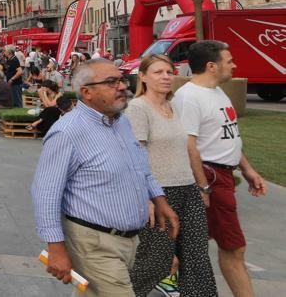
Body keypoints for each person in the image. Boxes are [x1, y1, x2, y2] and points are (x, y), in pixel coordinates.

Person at [32, 59, 179, 297]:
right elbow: (46, 192)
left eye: (121, 79)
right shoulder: (67, 132)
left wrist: (159, 199)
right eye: (111, 82)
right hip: (93, 242)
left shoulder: (121, 122)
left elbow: (140, 166)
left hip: (129, 239)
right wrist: (56, 247)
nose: (122, 86)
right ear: (87, 92)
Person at [172, 40, 266, 296]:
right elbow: (189, 146)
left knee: (198, 244)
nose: (234, 65)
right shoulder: (189, 97)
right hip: (211, 178)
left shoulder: (216, 92)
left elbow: (228, 136)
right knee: (233, 247)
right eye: (229, 60)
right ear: (212, 66)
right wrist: (203, 186)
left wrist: (247, 169)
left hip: (223, 174)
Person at [125, 55, 217, 297]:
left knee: (197, 258)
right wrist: (146, 197)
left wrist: (201, 187)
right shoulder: (137, 108)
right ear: (143, 77)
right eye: (158, 72)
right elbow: (136, 156)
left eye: (169, 71)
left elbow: (187, 148)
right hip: (160, 194)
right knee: (155, 261)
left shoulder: (173, 106)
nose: (166, 76)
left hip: (187, 191)